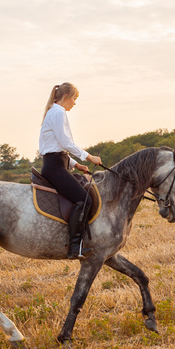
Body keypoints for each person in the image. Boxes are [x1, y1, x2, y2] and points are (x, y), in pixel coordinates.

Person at [38, 82, 102, 259]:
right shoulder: (58, 113)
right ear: (66, 97)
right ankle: (74, 247)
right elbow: (66, 143)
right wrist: (89, 157)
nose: (75, 103)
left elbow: (58, 147)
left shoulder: (54, 112)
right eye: (74, 98)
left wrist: (75, 165)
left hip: (57, 163)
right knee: (85, 199)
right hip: (54, 167)